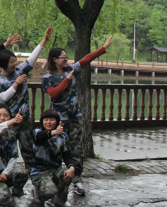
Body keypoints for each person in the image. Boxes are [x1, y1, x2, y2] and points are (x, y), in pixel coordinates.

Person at [41, 35, 113, 196]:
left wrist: (102, 49)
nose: (66, 59)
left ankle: (76, 180)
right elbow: (53, 94)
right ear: (54, 60)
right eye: (63, 57)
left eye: (67, 57)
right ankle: (55, 178)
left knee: (76, 149)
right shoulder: (47, 78)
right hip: (58, 120)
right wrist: (66, 81)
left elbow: (86, 59)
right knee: (56, 148)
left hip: (75, 116)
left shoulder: (71, 69)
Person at [0, 27, 53, 168]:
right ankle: (5, 173)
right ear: (3, 64)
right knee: (7, 147)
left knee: (28, 147)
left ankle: (31, 172)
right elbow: (3, 97)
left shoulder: (20, 70)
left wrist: (44, 40)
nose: (15, 64)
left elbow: (32, 58)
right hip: (8, 119)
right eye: (11, 62)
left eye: (15, 61)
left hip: (24, 118)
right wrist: (16, 83)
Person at [0, 105, 28, 207]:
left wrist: (5, 173)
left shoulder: (11, 134)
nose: (2, 118)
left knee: (22, 172)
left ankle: (16, 194)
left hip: (6, 174)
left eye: (6, 116)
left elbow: (14, 157)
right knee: (5, 200)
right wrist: (11, 122)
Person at [29, 109, 75, 207]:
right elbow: (40, 137)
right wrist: (53, 132)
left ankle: (60, 201)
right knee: (50, 191)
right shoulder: (37, 132)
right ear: (42, 121)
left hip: (55, 169)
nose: (48, 122)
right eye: (46, 120)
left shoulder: (63, 136)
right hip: (39, 171)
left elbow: (67, 155)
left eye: (52, 120)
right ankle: (38, 197)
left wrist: (71, 167)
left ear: (57, 121)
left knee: (67, 175)